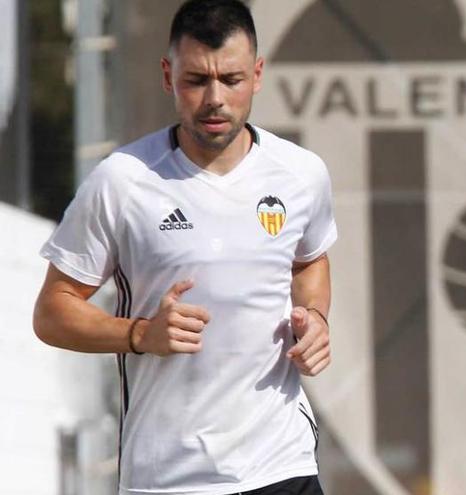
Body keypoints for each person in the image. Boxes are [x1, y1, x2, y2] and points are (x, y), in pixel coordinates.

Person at [33, 1, 334, 493]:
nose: (215, 98)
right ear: (168, 75)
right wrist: (140, 333)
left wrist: (316, 318)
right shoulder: (122, 180)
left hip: (282, 467)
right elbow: (52, 312)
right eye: (196, 80)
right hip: (169, 477)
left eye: (231, 80)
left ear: (257, 75)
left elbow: (311, 260)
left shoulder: (302, 173)